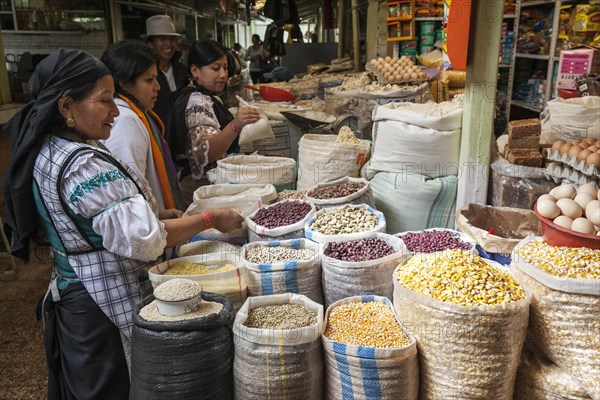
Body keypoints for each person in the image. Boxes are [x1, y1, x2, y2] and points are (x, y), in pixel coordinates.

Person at [1, 48, 243, 399]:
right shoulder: (82, 164)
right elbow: (145, 240)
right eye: (104, 100)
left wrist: (155, 214)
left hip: (74, 295)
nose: (115, 110)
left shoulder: (52, 148)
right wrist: (210, 218)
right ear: (66, 106)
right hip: (98, 305)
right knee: (111, 386)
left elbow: (87, 217)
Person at [166, 39, 261, 205]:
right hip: (200, 188)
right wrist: (235, 124)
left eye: (225, 67)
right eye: (215, 68)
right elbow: (206, 153)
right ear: (195, 71)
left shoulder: (202, 95)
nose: (223, 74)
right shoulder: (197, 102)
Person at [100, 40, 186, 212]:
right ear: (124, 82)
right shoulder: (125, 121)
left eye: (156, 78)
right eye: (149, 80)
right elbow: (130, 192)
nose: (158, 87)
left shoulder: (132, 113)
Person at [142, 14, 189, 124]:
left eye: (172, 39)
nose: (168, 44)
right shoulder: (144, 75)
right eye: (162, 39)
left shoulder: (183, 71)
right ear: (150, 44)